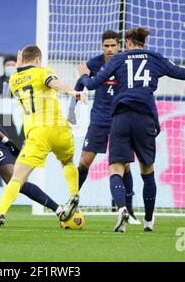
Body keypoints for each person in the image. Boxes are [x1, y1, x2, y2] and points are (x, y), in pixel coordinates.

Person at [78, 27, 185, 232]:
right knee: (147, 169)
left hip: (121, 116)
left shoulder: (118, 59)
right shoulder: (155, 58)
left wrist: (83, 76)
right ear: (145, 44)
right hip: (145, 118)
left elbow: (91, 84)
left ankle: (121, 209)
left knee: (116, 168)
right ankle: (149, 221)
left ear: (126, 42)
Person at [0, 45, 87, 229]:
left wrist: (18, 65)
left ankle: (0, 213)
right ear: (38, 60)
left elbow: (19, 73)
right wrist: (73, 92)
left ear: (22, 60)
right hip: (60, 129)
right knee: (67, 162)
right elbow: (55, 84)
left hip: (38, 133)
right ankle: (74, 194)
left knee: (17, 177)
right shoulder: (42, 72)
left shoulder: (14, 80)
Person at [68, 30, 140, 224]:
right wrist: (72, 108)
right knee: (84, 161)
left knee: (124, 165)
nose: (109, 49)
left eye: (112, 45)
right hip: (99, 120)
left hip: (120, 120)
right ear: (102, 46)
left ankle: (129, 211)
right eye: (106, 46)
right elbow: (80, 82)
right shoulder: (95, 63)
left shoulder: (127, 62)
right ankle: (72, 200)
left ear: (119, 45)